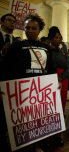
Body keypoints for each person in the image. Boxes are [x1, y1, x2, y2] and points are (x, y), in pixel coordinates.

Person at [2, 13, 57, 152]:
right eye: (28, 28)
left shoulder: (46, 48)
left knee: (38, 119)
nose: (30, 31)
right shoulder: (16, 46)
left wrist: (56, 82)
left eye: (34, 28)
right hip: (22, 90)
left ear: (39, 30)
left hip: (41, 90)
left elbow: (51, 68)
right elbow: (6, 67)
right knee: (23, 120)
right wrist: (3, 86)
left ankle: (37, 146)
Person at [48, 26, 69, 146]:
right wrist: (55, 78)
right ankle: (45, 138)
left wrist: (61, 78)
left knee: (60, 108)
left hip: (63, 81)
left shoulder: (64, 53)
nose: (59, 40)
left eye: (60, 38)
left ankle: (57, 136)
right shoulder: (46, 51)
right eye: (56, 38)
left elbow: (68, 67)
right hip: (49, 81)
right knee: (49, 108)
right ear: (50, 38)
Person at [0, 13, 17, 152]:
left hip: (12, 83)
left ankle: (7, 137)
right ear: (1, 22)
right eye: (9, 20)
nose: (12, 23)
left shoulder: (17, 42)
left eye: (14, 21)